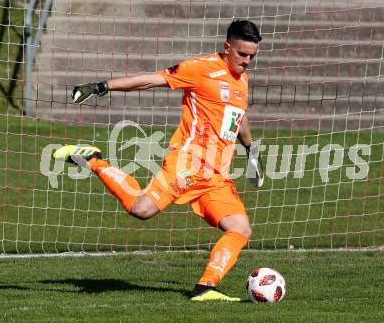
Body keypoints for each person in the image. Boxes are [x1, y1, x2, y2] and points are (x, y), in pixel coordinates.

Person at [53, 19, 264, 301]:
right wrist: (103, 86)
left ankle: (205, 289)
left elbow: (238, 116)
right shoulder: (200, 68)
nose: (247, 61)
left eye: (252, 56)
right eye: (242, 54)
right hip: (188, 164)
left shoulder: (242, 79)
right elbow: (152, 79)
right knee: (141, 210)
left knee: (240, 229)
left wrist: (251, 152)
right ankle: (93, 160)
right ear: (228, 47)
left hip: (216, 176)